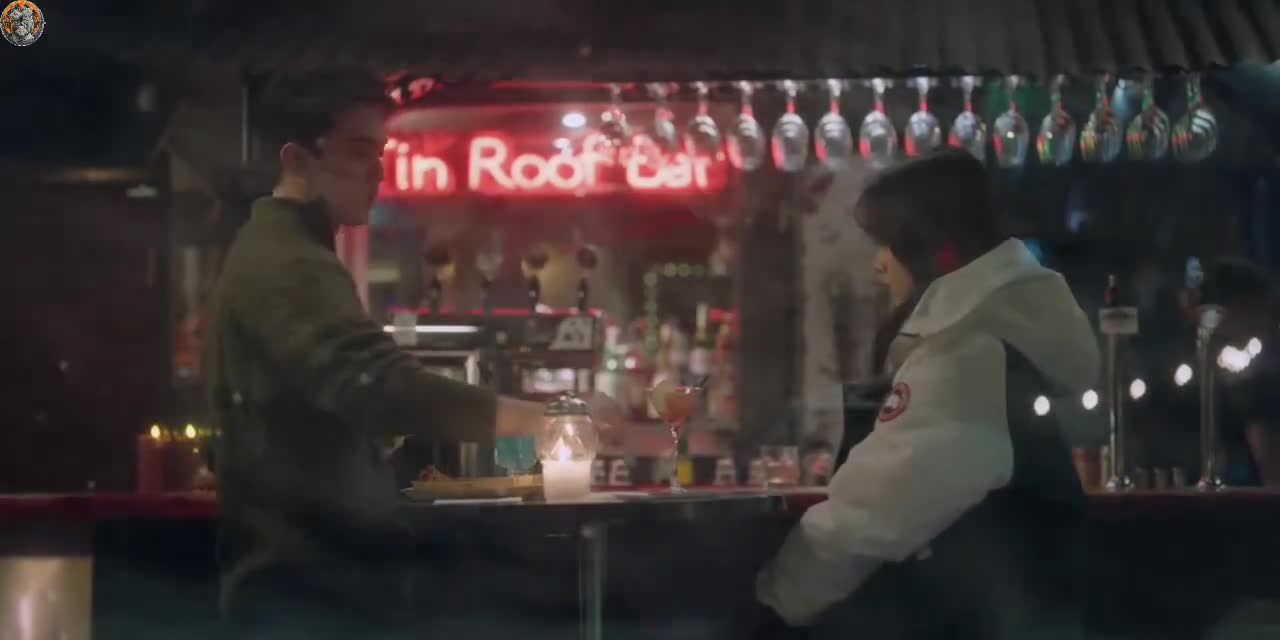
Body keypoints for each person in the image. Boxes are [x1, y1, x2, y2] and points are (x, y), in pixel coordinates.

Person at [205, 68, 618, 638]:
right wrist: (547, 422)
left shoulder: (286, 250)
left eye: (380, 153)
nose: (377, 170)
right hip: (307, 592)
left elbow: (340, 394)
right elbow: (381, 384)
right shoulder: (289, 261)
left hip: (307, 585)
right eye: (358, 151)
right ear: (297, 159)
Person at [753, 149, 1098, 639]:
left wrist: (778, 599)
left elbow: (872, 513)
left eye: (887, 246)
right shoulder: (1008, 333)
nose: (879, 266)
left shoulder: (965, 355)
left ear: (925, 249)